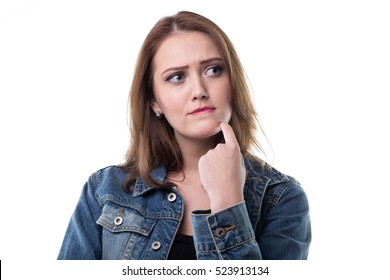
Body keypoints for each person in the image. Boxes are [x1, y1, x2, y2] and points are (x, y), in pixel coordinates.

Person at [58, 11, 311, 260]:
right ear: (154, 102)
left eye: (213, 70)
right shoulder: (104, 191)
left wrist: (228, 202)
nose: (199, 90)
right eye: (177, 77)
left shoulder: (282, 200)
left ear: (233, 82)